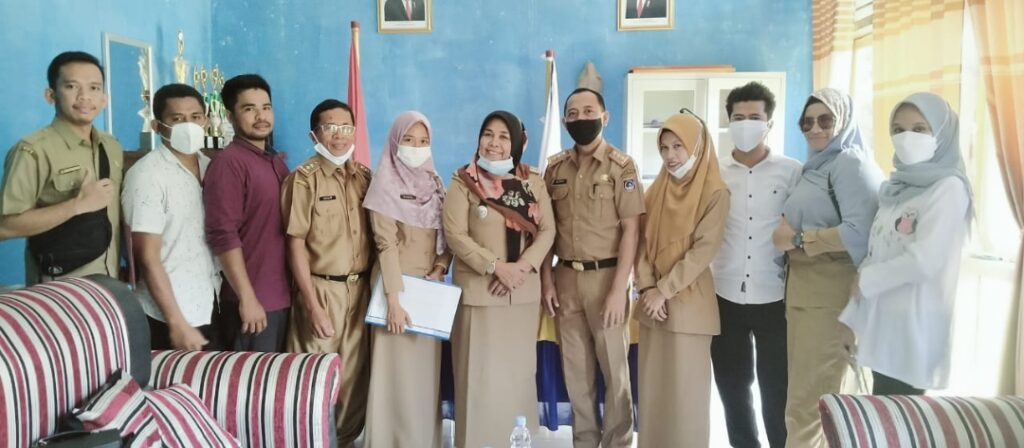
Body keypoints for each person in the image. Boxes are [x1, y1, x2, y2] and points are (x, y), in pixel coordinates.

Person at [839, 92, 973, 396]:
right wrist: (849, 319)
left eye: (920, 128)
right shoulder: (895, 190)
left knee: (902, 419)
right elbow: (876, 255)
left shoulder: (949, 189)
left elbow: (925, 261)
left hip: (913, 335)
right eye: (898, 130)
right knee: (882, 417)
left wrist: (865, 279)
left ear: (942, 134)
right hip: (882, 331)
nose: (907, 137)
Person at [772, 88, 883, 448]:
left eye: (825, 120)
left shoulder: (850, 163)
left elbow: (861, 231)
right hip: (805, 297)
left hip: (829, 298)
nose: (815, 129)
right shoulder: (818, 166)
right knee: (807, 401)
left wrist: (802, 239)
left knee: (812, 407)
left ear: (844, 121)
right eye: (807, 122)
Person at [443, 111, 555, 448]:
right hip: (479, 294)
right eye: (488, 134)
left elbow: (548, 231)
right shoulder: (463, 180)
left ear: (516, 143)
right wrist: (495, 267)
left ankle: (516, 441)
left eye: (504, 136)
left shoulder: (532, 182)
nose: (494, 143)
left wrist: (521, 267)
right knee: (477, 379)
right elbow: (455, 235)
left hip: (521, 295)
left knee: (516, 377)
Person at [542, 88, 643, 448]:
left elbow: (632, 230)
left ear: (604, 116)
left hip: (607, 279)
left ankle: (617, 442)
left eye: (588, 111)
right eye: (573, 113)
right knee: (576, 371)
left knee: (615, 371)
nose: (580, 118)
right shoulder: (554, 168)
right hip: (565, 279)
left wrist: (619, 290)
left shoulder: (621, 166)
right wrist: (546, 281)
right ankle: (584, 441)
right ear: (564, 120)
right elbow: (546, 231)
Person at [711, 82, 800, 448]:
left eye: (754, 117)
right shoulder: (714, 172)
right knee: (732, 387)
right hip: (724, 293)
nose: (746, 124)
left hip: (775, 295)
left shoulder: (791, 172)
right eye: (738, 117)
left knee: (777, 387)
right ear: (728, 122)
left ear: (769, 123)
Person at [280, 99, 373, 447]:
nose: (339, 135)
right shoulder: (303, 180)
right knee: (314, 377)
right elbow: (295, 245)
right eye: (330, 128)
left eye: (346, 128)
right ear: (314, 135)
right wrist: (312, 305)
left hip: (360, 291)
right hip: (321, 290)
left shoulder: (364, 178)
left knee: (353, 377)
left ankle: (343, 441)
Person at [635, 111, 729, 448]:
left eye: (678, 146)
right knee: (653, 397)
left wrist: (663, 290)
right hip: (652, 308)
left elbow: (704, 250)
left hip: (689, 307)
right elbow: (640, 245)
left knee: (685, 400)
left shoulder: (715, 192)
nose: (670, 155)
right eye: (664, 148)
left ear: (697, 146)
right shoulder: (655, 190)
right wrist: (647, 287)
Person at [363, 111, 452, 447]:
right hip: (395, 289)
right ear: (395, 142)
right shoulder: (384, 184)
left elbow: (448, 235)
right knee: (393, 374)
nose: (417, 147)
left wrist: (440, 268)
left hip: (428, 290)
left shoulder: (435, 183)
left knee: (423, 376)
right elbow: (385, 245)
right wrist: (394, 301)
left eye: (423, 141)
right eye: (409, 140)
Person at [0, 51, 122, 285]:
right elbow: (4, 227)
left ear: (104, 98)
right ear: (50, 95)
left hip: (109, 284)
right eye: (72, 86)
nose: (85, 96)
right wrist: (78, 205)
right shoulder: (33, 150)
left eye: (94, 88)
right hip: (59, 288)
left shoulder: (111, 146)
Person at [122, 83, 220, 351]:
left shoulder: (210, 167)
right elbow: (147, 256)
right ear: (157, 126)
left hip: (209, 302)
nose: (189, 125)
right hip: (166, 315)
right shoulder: (147, 175)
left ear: (206, 121)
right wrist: (177, 323)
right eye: (177, 119)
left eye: (195, 117)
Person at [203, 74, 290, 352]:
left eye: (266, 107)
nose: (261, 116)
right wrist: (247, 298)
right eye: (249, 109)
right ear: (230, 117)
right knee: (251, 378)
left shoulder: (275, 162)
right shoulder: (229, 164)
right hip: (252, 305)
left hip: (281, 297)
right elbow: (223, 235)